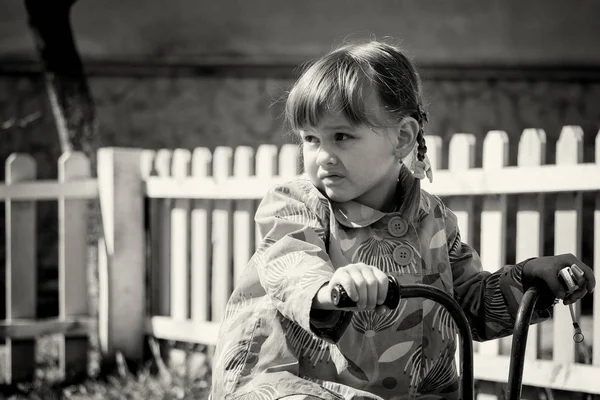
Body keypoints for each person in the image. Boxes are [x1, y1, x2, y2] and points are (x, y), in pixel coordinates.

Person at [209, 39, 596, 400]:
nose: (322, 155)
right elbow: (289, 264)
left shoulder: (434, 219)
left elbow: (468, 305)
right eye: (311, 139)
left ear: (402, 138)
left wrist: (528, 279)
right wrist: (330, 287)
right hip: (296, 382)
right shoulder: (296, 205)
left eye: (341, 136)